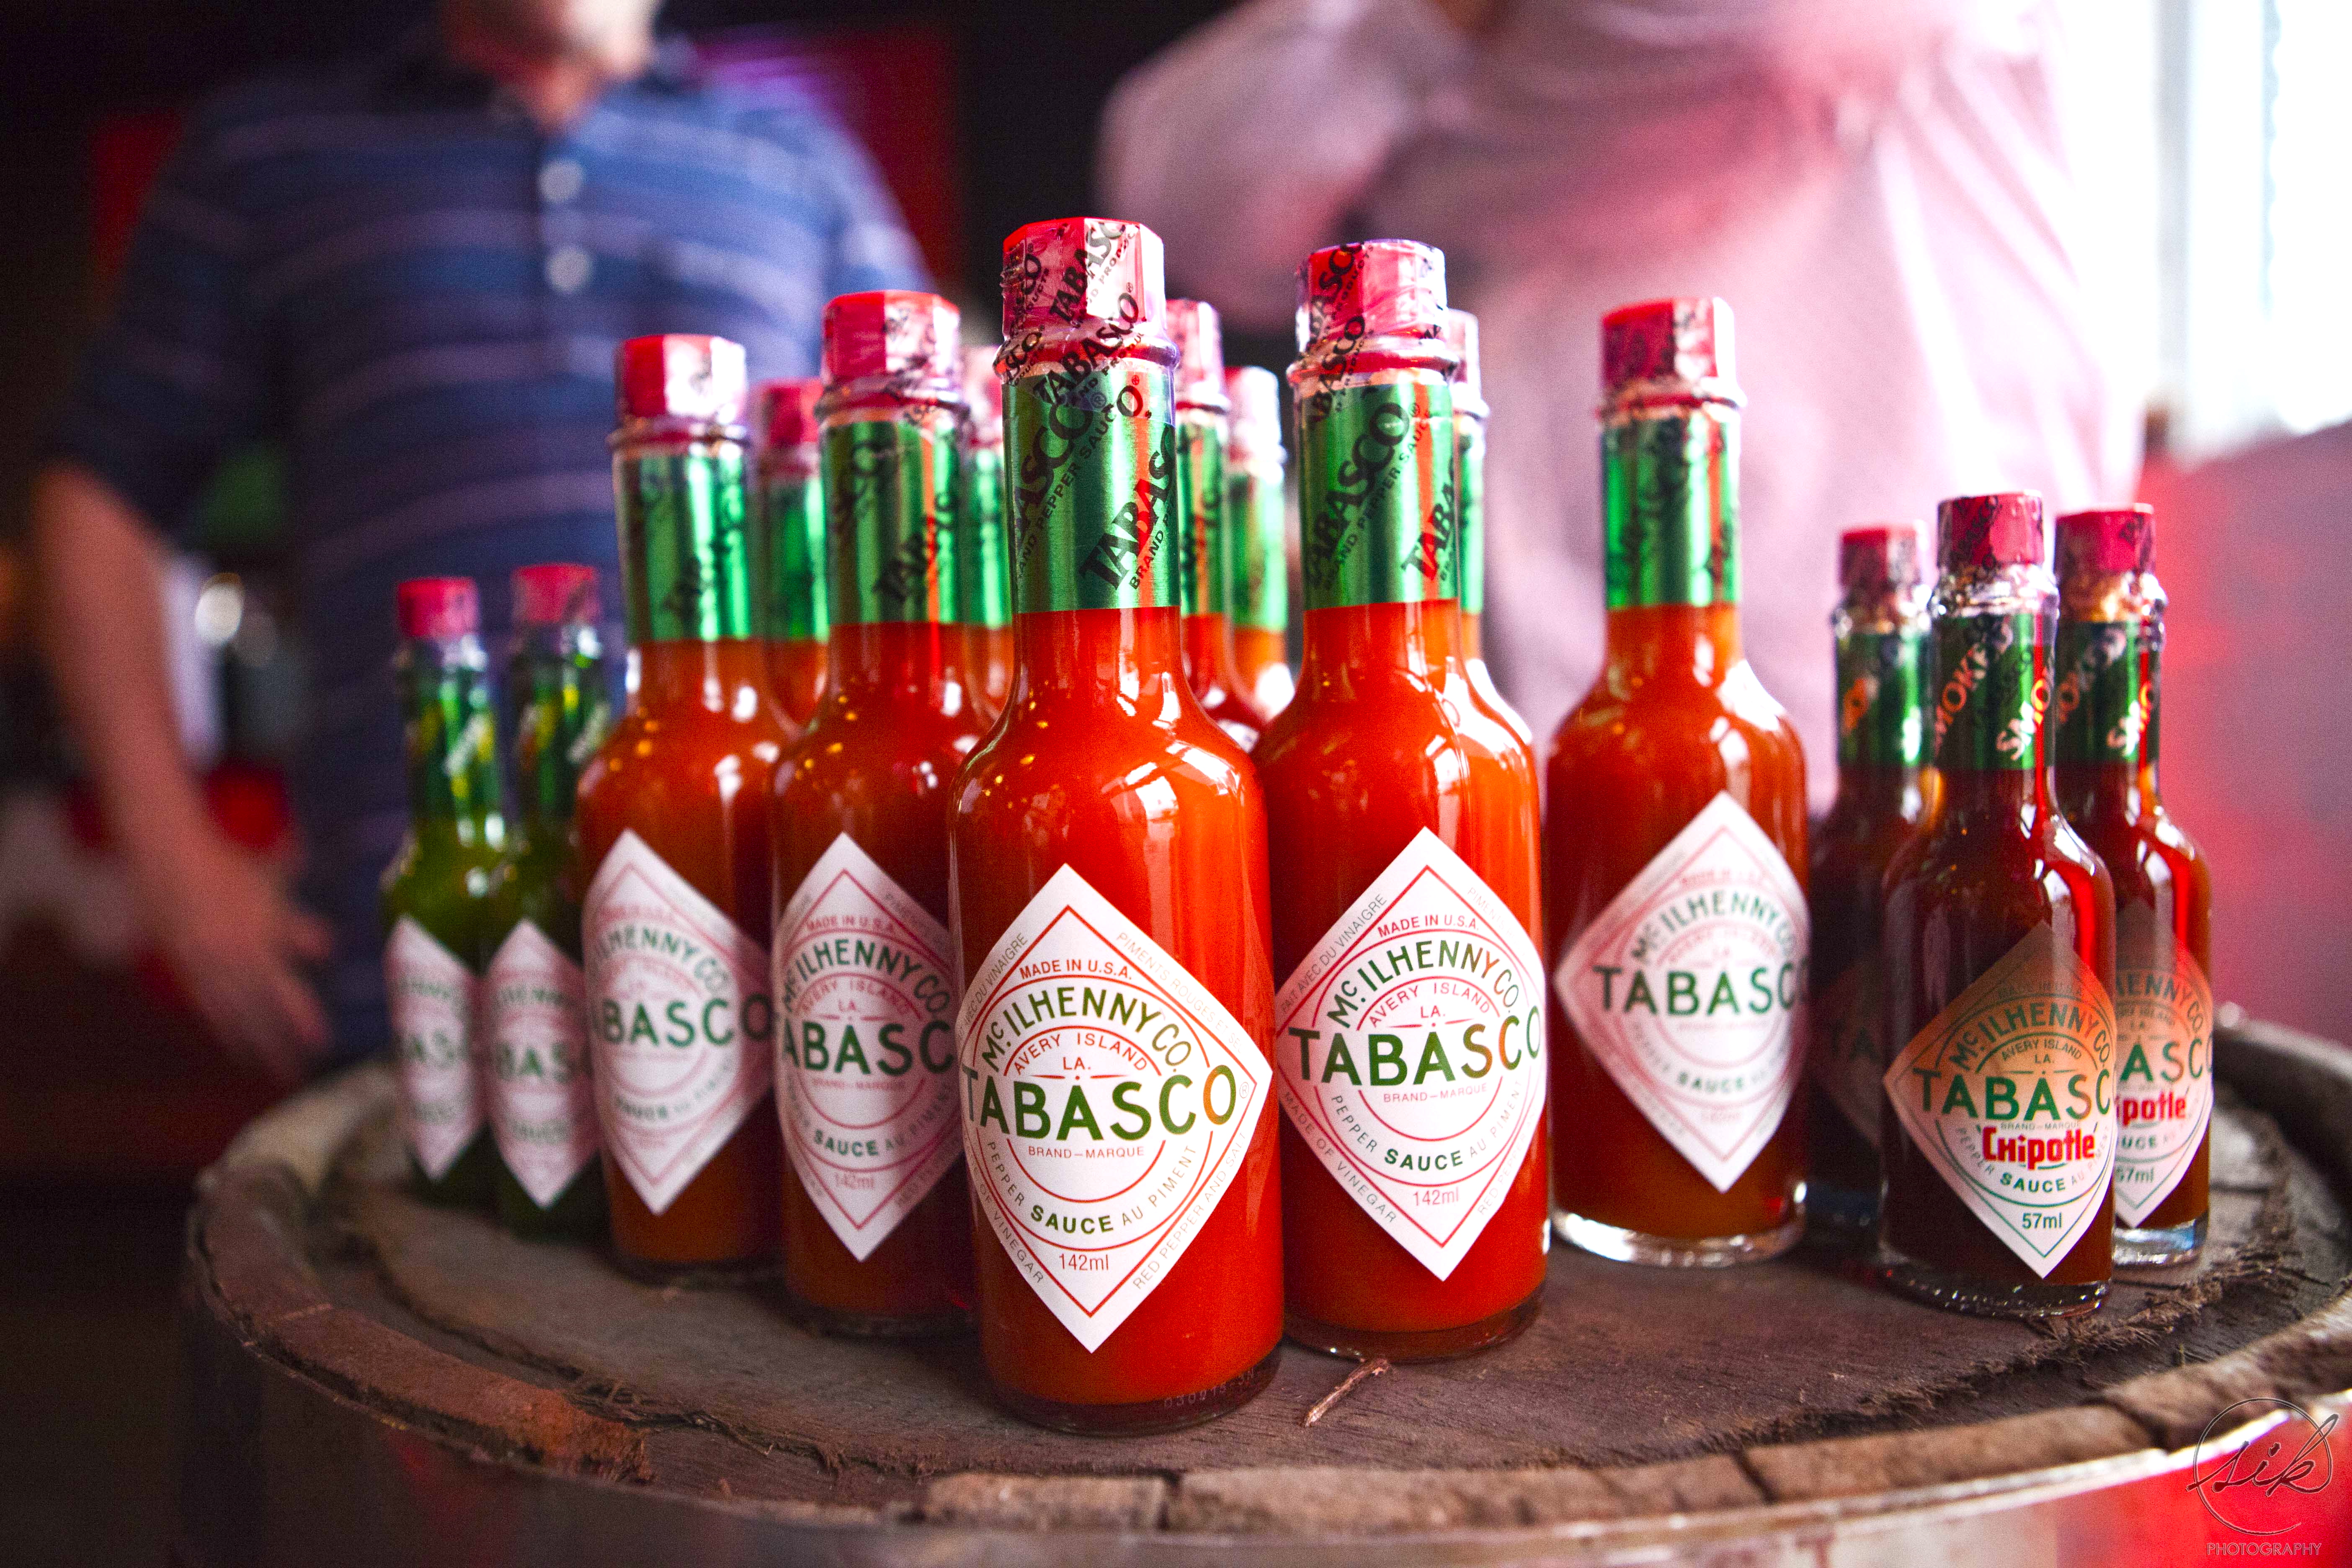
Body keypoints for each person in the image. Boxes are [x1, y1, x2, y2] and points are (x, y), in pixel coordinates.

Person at [31, 0, 926, 1083]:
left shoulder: (800, 161)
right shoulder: (264, 154)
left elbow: (933, 453)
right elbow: (99, 494)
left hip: (763, 940)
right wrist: (173, 861)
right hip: (421, 969)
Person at [1101, 0, 2146, 794]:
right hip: (1542, 715)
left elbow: (1777, 43)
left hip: (1890, 704)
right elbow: (1177, 186)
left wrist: (1391, 186)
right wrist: (1438, 25)